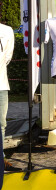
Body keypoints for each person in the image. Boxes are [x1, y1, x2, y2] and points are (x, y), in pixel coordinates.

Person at [0, 20, 19, 173]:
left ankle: (1, 159)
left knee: (1, 124)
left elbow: (7, 57)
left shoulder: (7, 31)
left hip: (1, 86)